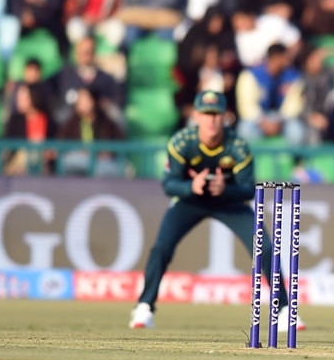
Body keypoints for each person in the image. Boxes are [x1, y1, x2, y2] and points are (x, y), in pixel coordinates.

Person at [129, 90, 305, 331]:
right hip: (190, 201)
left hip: (229, 203)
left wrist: (225, 188)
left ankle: (284, 309)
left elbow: (247, 190)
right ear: (196, 116)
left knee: (263, 247)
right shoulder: (182, 142)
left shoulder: (238, 146)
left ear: (225, 116)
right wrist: (191, 186)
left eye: (216, 114)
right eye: (206, 113)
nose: (211, 120)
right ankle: (144, 307)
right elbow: (169, 185)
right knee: (161, 248)